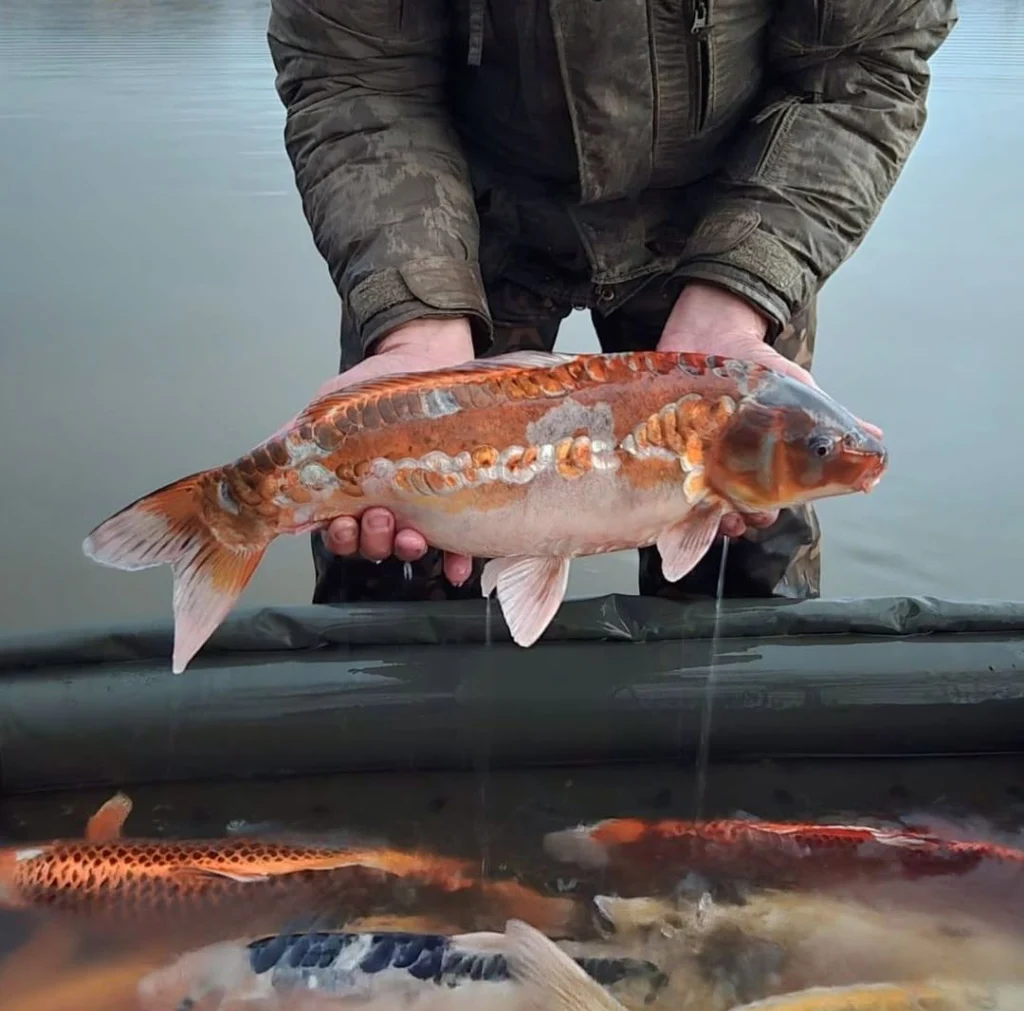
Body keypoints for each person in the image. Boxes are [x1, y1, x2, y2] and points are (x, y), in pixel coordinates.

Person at [265, 0, 957, 608]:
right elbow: (356, 77)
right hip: (448, 214)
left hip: (732, 210)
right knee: (394, 566)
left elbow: (861, 66)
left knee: (747, 562)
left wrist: (741, 291)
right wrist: (415, 320)